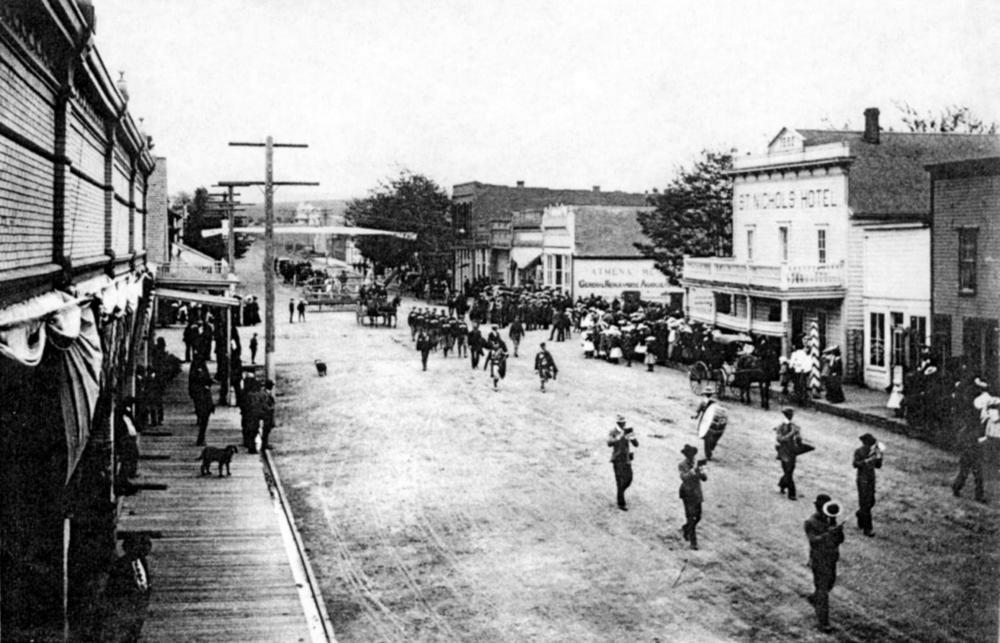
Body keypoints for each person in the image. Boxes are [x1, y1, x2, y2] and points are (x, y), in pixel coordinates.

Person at [100, 533, 152, 643]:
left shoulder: (141, 561)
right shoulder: (121, 565)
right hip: (126, 606)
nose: (147, 550)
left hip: (137, 604)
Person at [804, 494, 845, 633]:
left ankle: (816, 598)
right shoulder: (810, 522)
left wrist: (838, 531)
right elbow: (813, 540)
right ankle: (823, 622)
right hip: (819, 559)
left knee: (829, 584)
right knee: (823, 591)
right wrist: (828, 534)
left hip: (831, 558)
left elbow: (840, 540)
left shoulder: (832, 521)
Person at [678, 444, 707, 549]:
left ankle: (686, 529)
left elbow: (704, 478)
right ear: (686, 455)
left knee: (698, 516)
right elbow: (683, 477)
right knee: (690, 517)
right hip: (687, 493)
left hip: (697, 493)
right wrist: (692, 471)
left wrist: (702, 472)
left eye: (692, 454)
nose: (691, 456)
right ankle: (693, 542)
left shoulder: (697, 463)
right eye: (688, 454)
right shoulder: (682, 465)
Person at [853, 433, 882, 536]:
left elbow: (878, 466)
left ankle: (860, 514)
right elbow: (855, 464)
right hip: (862, 480)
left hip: (871, 479)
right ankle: (867, 528)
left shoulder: (874, 452)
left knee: (871, 502)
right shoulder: (858, 451)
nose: (869, 446)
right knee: (865, 504)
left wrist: (879, 457)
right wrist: (866, 461)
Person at [607, 414, 638, 510]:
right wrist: (618, 438)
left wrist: (632, 437)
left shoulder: (628, 431)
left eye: (624, 422)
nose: (623, 424)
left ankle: (620, 492)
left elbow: (636, 444)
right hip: (617, 459)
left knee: (629, 479)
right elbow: (609, 443)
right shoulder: (613, 432)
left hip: (626, 459)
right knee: (620, 481)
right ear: (618, 423)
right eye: (621, 423)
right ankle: (621, 502)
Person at [774, 407, 802, 500]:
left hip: (792, 451)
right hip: (783, 451)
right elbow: (780, 439)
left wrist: (798, 436)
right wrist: (792, 433)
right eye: (789, 414)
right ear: (786, 415)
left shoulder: (794, 426)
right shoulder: (780, 426)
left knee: (789, 471)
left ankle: (783, 486)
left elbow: (799, 440)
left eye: (791, 414)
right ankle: (791, 493)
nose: (791, 416)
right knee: (788, 471)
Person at [693, 388, 727, 461]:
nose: (708, 395)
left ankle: (709, 452)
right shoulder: (712, 403)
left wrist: (695, 416)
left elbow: (697, 413)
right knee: (710, 438)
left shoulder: (709, 403)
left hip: (709, 423)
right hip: (709, 423)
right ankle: (709, 453)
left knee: (709, 440)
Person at [189, 360, 215, 446]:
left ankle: (201, 437)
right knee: (204, 417)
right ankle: (201, 438)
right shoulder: (199, 370)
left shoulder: (196, 369)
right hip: (202, 396)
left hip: (201, 396)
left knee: (203, 417)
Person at [260, 379, 276, 450]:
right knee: (265, 431)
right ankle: (264, 445)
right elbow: (264, 404)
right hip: (265, 415)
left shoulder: (265, 393)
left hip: (268, 415)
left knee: (267, 430)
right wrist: (270, 408)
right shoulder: (264, 394)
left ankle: (265, 444)